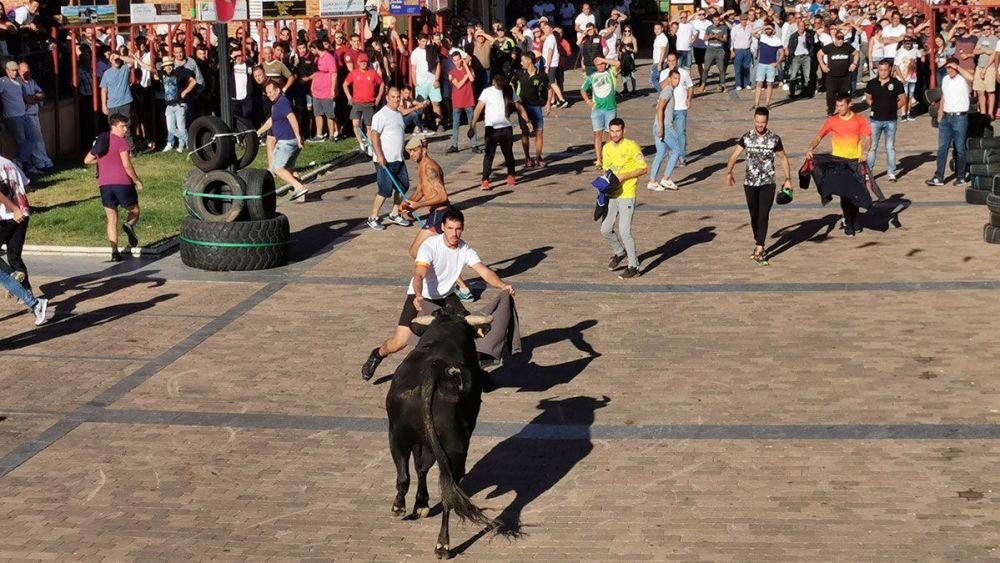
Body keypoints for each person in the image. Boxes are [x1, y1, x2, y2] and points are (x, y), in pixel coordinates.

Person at [360, 208, 515, 381]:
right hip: (421, 294)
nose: (454, 234)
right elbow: (419, 274)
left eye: (457, 229)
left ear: (462, 228)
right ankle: (377, 355)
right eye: (450, 228)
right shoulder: (430, 246)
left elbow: (484, 271)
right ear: (442, 227)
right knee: (400, 341)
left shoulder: (465, 249)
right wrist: (418, 295)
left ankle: (476, 371)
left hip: (447, 295)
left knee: (470, 332)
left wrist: (502, 285)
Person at [725, 107, 793, 265]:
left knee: (763, 215)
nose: (760, 125)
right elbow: (735, 155)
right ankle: (758, 241)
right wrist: (729, 172)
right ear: (754, 120)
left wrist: (788, 178)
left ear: (767, 121)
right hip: (749, 183)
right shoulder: (747, 137)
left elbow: (783, 158)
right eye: (757, 122)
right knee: (754, 216)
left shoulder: (774, 139)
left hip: (768, 183)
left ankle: (760, 248)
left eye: (763, 122)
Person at [804, 94, 873, 236]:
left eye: (841, 105)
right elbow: (819, 136)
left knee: (857, 193)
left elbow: (867, 138)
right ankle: (848, 221)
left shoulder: (859, 120)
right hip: (839, 162)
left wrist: (865, 152)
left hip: (855, 162)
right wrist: (811, 148)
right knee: (845, 194)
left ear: (849, 105)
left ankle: (854, 218)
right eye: (837, 106)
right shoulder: (833, 121)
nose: (839, 108)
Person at [83, 113, 143, 262]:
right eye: (122, 126)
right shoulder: (121, 143)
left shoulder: (101, 141)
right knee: (134, 210)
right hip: (122, 183)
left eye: (126, 127)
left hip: (104, 185)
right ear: (113, 126)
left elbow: (87, 160)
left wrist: (101, 162)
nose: (125, 130)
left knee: (111, 218)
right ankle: (129, 225)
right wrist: (137, 180)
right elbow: (127, 165)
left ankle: (115, 251)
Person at [600, 118, 647, 280]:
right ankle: (620, 252)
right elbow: (606, 170)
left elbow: (643, 168)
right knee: (605, 229)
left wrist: (625, 175)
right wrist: (602, 184)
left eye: (618, 131)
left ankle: (634, 265)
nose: (615, 134)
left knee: (625, 231)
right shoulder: (606, 148)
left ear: (623, 130)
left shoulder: (631, 146)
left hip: (627, 194)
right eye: (612, 131)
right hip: (612, 195)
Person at [468, 74, 532, 190]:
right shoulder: (487, 92)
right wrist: (472, 126)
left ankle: (511, 174)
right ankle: (485, 180)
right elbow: (478, 109)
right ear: (493, 81)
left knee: (508, 153)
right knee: (489, 155)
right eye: (497, 80)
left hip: (506, 127)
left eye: (501, 80)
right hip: (491, 128)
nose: (499, 82)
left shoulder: (508, 91)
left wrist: (527, 120)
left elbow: (519, 106)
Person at [256, 80, 310, 203]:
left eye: (270, 92)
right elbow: (271, 121)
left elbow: (292, 119)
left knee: (277, 168)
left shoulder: (283, 102)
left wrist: (298, 137)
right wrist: (258, 132)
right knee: (290, 169)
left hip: (287, 141)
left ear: (278, 90)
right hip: (291, 142)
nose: (268, 94)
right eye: (267, 93)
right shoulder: (276, 104)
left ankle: (299, 187)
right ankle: (303, 193)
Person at [367, 87, 413, 230]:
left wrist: (403, 151)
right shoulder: (381, 115)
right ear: (387, 97)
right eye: (393, 97)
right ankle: (373, 217)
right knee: (385, 190)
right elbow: (374, 135)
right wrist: (379, 155)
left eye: (398, 97)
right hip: (385, 160)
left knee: (403, 186)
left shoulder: (398, 114)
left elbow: (397, 134)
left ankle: (394, 213)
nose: (396, 99)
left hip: (398, 158)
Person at [927, 59, 974, 187]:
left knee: (960, 148)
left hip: (960, 117)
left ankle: (960, 176)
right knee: (942, 148)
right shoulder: (945, 79)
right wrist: (940, 112)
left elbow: (972, 78)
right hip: (946, 117)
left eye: (952, 68)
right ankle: (939, 177)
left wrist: (958, 68)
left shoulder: (962, 79)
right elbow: (944, 96)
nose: (950, 70)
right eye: (948, 68)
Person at [865, 59, 904, 182]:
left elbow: (902, 100)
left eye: (885, 70)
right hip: (875, 120)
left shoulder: (896, 83)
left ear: (890, 70)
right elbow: (868, 98)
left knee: (890, 147)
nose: (883, 72)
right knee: (872, 147)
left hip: (891, 121)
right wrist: (876, 107)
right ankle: (868, 172)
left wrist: (892, 109)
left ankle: (891, 172)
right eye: (880, 70)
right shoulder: (872, 83)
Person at [0, 155, 32, 296]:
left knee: (13, 260)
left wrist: (13, 208)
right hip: (23, 213)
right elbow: (27, 186)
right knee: (14, 256)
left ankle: (12, 275)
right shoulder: (11, 163)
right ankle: (26, 292)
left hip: (7, 215)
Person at [512, 51, 550, 168]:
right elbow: (511, 84)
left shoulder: (541, 75)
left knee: (539, 132)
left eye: (522, 60)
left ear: (528, 61)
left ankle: (538, 157)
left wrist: (548, 103)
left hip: (536, 107)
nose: (521, 62)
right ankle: (527, 157)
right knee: (525, 132)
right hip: (523, 107)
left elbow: (549, 88)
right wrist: (515, 98)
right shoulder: (519, 73)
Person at [581, 57, 620, 169]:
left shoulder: (611, 73)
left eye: (603, 64)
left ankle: (607, 158)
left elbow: (617, 64)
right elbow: (583, 89)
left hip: (610, 109)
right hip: (597, 110)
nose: (601, 66)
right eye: (599, 64)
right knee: (597, 134)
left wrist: (604, 60)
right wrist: (587, 101)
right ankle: (599, 159)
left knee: (610, 135)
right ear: (595, 66)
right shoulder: (592, 77)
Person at [344, 53, 385, 154]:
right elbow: (345, 84)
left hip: (369, 103)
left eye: (365, 62)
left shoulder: (372, 73)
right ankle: (361, 143)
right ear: (358, 62)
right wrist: (349, 96)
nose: (363, 64)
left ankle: (370, 145)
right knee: (355, 124)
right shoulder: (354, 73)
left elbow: (382, 83)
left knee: (369, 126)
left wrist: (379, 96)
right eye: (361, 62)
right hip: (357, 103)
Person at [648, 70, 682, 192]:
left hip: (657, 125)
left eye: (678, 79)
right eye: (674, 78)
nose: (676, 81)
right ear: (669, 78)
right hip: (665, 126)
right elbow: (660, 108)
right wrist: (661, 127)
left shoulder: (667, 90)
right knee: (677, 149)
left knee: (661, 153)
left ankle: (652, 181)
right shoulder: (668, 91)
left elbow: (658, 107)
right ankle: (666, 178)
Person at [154, 59, 195, 153]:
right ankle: (188, 141)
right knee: (171, 128)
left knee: (181, 127)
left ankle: (182, 145)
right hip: (169, 106)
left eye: (170, 65)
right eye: (166, 66)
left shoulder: (179, 74)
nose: (168, 67)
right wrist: (137, 60)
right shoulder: (162, 75)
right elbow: (151, 69)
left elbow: (193, 81)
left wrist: (185, 91)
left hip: (179, 104)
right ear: (163, 68)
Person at [17, 62, 52, 171]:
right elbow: (26, 99)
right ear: (19, 72)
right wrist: (35, 97)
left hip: (35, 114)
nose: (27, 74)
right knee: (35, 139)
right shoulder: (19, 83)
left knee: (39, 139)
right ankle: (39, 162)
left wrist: (34, 97)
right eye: (24, 72)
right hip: (27, 115)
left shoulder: (31, 81)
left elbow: (42, 94)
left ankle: (45, 160)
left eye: (28, 71)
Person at [819, 29, 859, 116]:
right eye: (838, 38)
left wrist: (854, 64)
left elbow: (856, 54)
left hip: (844, 76)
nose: (840, 40)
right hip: (832, 76)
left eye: (842, 38)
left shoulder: (847, 46)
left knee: (844, 95)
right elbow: (819, 54)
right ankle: (830, 111)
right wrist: (822, 65)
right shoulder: (829, 47)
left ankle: (844, 111)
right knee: (830, 96)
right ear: (835, 38)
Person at [447, 51, 480, 153]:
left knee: (472, 123)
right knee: (456, 124)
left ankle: (474, 144)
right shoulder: (451, 73)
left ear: (461, 59)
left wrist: (466, 66)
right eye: (455, 61)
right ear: (453, 61)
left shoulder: (469, 69)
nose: (457, 62)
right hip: (457, 100)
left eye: (458, 60)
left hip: (468, 99)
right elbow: (458, 85)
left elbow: (472, 79)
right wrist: (466, 76)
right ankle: (454, 145)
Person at [410, 34, 443, 131]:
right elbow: (413, 69)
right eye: (423, 41)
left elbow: (438, 66)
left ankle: (438, 123)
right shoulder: (415, 53)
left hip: (432, 80)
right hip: (421, 82)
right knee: (421, 105)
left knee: (436, 103)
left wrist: (437, 79)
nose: (424, 43)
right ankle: (421, 124)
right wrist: (415, 82)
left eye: (426, 41)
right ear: (418, 41)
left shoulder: (432, 50)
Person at [309, 41, 339, 142]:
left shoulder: (329, 57)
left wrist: (333, 89)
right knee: (317, 113)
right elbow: (316, 73)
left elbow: (334, 74)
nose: (312, 52)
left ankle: (331, 135)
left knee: (329, 114)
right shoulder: (317, 58)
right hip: (317, 90)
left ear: (316, 48)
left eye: (312, 49)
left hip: (327, 90)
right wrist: (312, 85)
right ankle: (319, 134)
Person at [754, 24, 784, 108]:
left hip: (771, 65)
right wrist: (763, 27)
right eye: (767, 29)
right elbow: (753, 32)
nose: (768, 30)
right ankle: (756, 104)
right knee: (759, 83)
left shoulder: (777, 40)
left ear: (773, 30)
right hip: (761, 64)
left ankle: (767, 103)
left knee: (770, 84)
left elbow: (782, 53)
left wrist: (777, 63)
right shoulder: (762, 37)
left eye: (769, 29)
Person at [699, 13, 729, 93]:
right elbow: (705, 38)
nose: (716, 22)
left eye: (718, 20)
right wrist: (710, 37)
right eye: (715, 20)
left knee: (721, 69)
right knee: (706, 68)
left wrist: (718, 37)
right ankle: (703, 84)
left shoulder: (723, 28)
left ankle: (723, 85)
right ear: (712, 20)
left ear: (720, 20)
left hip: (719, 50)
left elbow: (725, 40)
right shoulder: (709, 28)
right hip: (710, 50)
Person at [541, 21, 569, 107]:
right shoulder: (550, 38)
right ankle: (554, 100)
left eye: (546, 28)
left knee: (552, 82)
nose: (544, 30)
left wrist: (547, 66)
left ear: (551, 29)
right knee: (550, 83)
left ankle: (561, 99)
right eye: (544, 28)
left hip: (551, 64)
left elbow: (550, 52)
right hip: (551, 64)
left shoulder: (550, 39)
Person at [892, 36, 920, 121]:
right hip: (903, 78)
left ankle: (908, 113)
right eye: (906, 42)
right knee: (904, 96)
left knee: (911, 95)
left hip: (913, 77)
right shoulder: (899, 52)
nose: (908, 43)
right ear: (903, 43)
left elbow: (920, 56)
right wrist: (902, 78)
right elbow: (896, 66)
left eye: (909, 41)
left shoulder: (915, 50)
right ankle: (903, 114)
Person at [786, 19, 814, 98]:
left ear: (805, 27)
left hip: (806, 57)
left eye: (803, 26)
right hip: (796, 57)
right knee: (793, 76)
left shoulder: (808, 35)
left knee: (806, 76)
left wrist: (809, 54)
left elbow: (811, 45)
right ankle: (792, 93)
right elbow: (790, 46)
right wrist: (792, 55)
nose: (801, 28)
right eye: (800, 26)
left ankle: (807, 93)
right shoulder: (793, 36)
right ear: (797, 27)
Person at [730, 14, 754, 91]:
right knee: (738, 68)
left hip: (747, 49)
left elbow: (752, 39)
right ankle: (738, 84)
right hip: (738, 50)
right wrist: (731, 50)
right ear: (740, 20)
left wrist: (753, 49)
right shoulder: (735, 28)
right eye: (742, 20)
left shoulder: (749, 27)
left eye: (745, 20)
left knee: (746, 68)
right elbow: (732, 40)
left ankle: (746, 83)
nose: (744, 21)